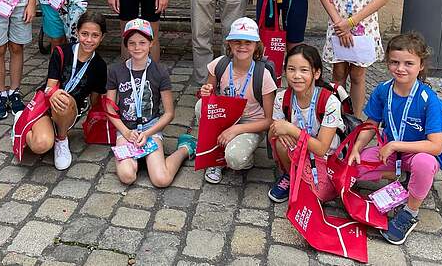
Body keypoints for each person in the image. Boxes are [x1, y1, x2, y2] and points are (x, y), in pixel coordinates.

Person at [348, 33, 442, 245]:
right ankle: (401, 177)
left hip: (417, 153)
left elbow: (436, 146)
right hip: (391, 155)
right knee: (357, 167)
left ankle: (410, 212)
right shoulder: (383, 91)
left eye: (408, 63)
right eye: (394, 62)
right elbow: (371, 124)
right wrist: (356, 148)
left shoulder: (429, 100)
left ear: (420, 66)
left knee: (424, 164)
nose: (400, 68)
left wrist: (394, 144)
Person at [106, 19, 197, 187]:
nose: (137, 47)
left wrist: (147, 134)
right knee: (127, 176)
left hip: (150, 129)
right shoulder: (116, 71)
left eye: (142, 42)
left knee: (161, 180)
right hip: (126, 130)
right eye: (131, 43)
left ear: (151, 43)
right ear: (126, 45)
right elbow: (110, 107)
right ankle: (137, 160)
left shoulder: (160, 71)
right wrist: (125, 132)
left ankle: (184, 149)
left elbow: (169, 113)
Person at [197, 17, 277, 184]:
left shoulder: (264, 75)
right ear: (229, 44)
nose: (242, 46)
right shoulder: (219, 65)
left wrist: (236, 130)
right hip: (225, 117)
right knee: (200, 107)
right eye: (237, 42)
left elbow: (269, 120)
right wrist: (205, 92)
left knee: (236, 159)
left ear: (256, 45)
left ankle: (241, 156)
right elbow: (207, 98)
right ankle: (215, 157)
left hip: (250, 123)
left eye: (248, 42)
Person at [24, 11, 108, 170]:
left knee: (65, 99)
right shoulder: (62, 51)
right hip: (47, 104)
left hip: (69, 111)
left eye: (95, 35)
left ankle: (61, 139)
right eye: (84, 34)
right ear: (77, 32)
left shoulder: (100, 66)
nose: (89, 40)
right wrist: (53, 92)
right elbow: (50, 85)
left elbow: (95, 100)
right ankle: (22, 126)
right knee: (40, 145)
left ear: (102, 37)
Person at [268, 44, 346, 203]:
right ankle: (291, 175)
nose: (296, 76)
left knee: (319, 196)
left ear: (316, 73)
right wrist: (279, 131)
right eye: (291, 69)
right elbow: (272, 133)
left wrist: (289, 128)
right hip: (300, 147)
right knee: (280, 141)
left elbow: (321, 147)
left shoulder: (329, 101)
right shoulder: (283, 98)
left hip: (326, 155)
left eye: (304, 70)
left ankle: (308, 176)